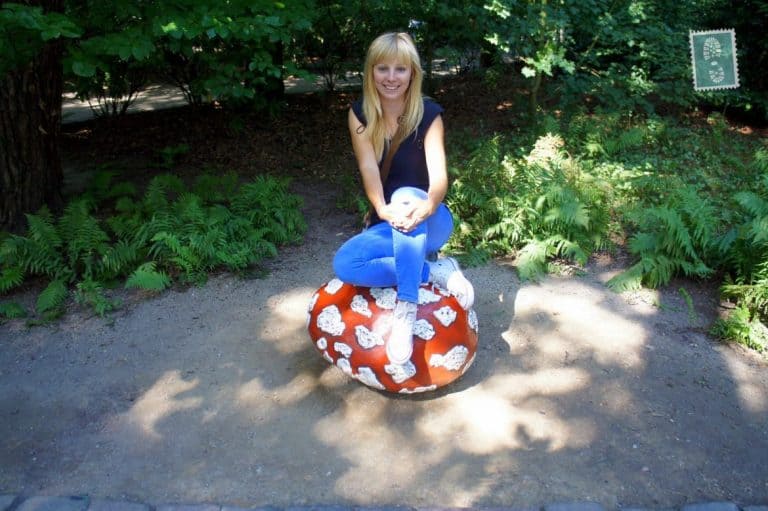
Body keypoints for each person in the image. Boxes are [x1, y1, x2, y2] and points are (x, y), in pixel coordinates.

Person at [333, 32, 474, 366]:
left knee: (406, 193)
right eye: (383, 69)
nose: (391, 77)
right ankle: (433, 270)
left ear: (413, 73)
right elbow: (369, 168)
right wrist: (382, 209)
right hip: (391, 221)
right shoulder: (360, 114)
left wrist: (424, 206)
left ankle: (406, 309)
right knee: (346, 264)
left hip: (431, 218)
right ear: (371, 72)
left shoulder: (429, 114)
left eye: (400, 69)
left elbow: (439, 177)